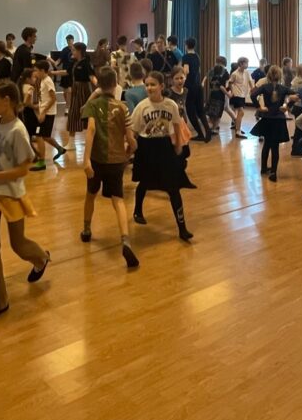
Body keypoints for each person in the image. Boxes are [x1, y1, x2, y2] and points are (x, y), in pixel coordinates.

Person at [0, 82, 50, 324]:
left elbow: (23, 169)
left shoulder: (18, 131)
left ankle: (41, 258)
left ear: (7, 101)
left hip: (11, 194)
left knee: (18, 244)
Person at [80, 67, 139, 268]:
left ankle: (86, 230)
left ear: (98, 84)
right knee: (118, 200)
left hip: (97, 160)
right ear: (115, 84)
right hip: (116, 161)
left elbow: (91, 130)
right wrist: (129, 151)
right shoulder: (122, 107)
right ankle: (125, 239)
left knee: (90, 195)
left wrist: (86, 160)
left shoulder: (93, 105)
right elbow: (131, 139)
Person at [130, 71, 193, 241]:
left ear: (162, 86)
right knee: (144, 182)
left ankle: (182, 228)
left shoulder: (170, 105)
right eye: (147, 85)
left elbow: (177, 125)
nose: (149, 88)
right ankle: (137, 210)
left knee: (173, 188)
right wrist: (129, 147)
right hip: (146, 147)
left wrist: (178, 145)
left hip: (165, 146)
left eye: (153, 84)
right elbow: (133, 130)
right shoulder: (142, 107)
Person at [253, 64, 290, 181]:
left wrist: (259, 107)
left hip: (267, 118)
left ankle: (263, 168)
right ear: (280, 76)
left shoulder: (265, 87)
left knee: (266, 144)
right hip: (278, 119)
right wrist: (287, 106)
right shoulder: (283, 88)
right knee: (275, 147)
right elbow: (296, 95)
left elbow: (253, 95)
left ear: (268, 75)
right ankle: (273, 171)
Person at [30, 59, 67, 166]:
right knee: (45, 136)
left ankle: (41, 161)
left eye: (36, 70)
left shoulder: (47, 81)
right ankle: (59, 148)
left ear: (42, 70)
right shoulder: (43, 81)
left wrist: (43, 112)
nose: (35, 73)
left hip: (48, 113)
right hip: (45, 112)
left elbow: (53, 98)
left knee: (39, 136)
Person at [181, 37, 210, 142]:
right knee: (200, 110)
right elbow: (198, 71)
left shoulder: (186, 57)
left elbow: (186, 71)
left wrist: (182, 81)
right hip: (198, 85)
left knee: (190, 110)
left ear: (186, 45)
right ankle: (208, 131)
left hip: (190, 86)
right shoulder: (197, 56)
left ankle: (200, 134)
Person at [65, 41, 95, 141]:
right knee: (73, 113)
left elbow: (92, 77)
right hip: (75, 89)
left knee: (86, 113)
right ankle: (71, 141)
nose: (72, 52)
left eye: (74, 50)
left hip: (84, 90)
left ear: (79, 51)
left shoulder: (86, 62)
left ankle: (92, 140)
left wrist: (100, 86)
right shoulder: (74, 62)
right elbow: (66, 72)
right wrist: (52, 73)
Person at [226, 58, 253, 137]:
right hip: (237, 94)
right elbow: (230, 82)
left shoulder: (247, 72)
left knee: (240, 113)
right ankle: (238, 131)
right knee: (241, 112)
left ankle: (237, 128)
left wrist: (252, 90)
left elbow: (250, 81)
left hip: (243, 94)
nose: (247, 65)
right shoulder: (235, 73)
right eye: (246, 63)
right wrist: (232, 91)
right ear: (241, 64)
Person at [206, 56, 229, 136]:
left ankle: (212, 127)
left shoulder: (214, 71)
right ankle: (214, 127)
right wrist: (228, 94)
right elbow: (223, 86)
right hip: (218, 95)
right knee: (216, 113)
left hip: (214, 94)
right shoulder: (222, 72)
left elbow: (209, 80)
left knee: (213, 113)